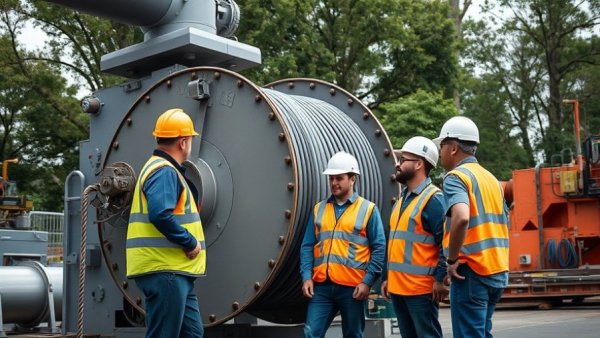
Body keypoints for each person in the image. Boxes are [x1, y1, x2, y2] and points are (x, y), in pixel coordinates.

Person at [126, 108, 206, 338]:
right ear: (183, 142)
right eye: (190, 139)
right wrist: (189, 242)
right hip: (165, 270)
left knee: (192, 334)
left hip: (176, 271)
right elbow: (160, 214)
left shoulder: (165, 170)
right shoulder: (163, 172)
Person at [433, 116, 509, 338]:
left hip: (471, 271)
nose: (440, 152)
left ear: (454, 148)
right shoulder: (492, 180)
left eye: (443, 146)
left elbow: (461, 217)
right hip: (496, 270)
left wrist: (452, 260)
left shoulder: (456, 177)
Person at [300, 151, 386, 338]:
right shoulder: (319, 209)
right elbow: (307, 245)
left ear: (353, 179)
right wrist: (307, 276)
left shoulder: (368, 209)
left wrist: (367, 282)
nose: (334, 183)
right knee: (310, 333)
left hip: (353, 287)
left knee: (353, 334)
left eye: (339, 178)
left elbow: (379, 248)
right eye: (331, 178)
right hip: (321, 286)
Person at [381, 136, 447, 338]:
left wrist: (440, 280)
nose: (397, 164)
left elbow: (447, 244)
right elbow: (394, 243)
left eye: (403, 160)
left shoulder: (434, 200)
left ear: (419, 164)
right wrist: (386, 277)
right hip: (399, 289)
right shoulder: (402, 200)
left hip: (421, 291)